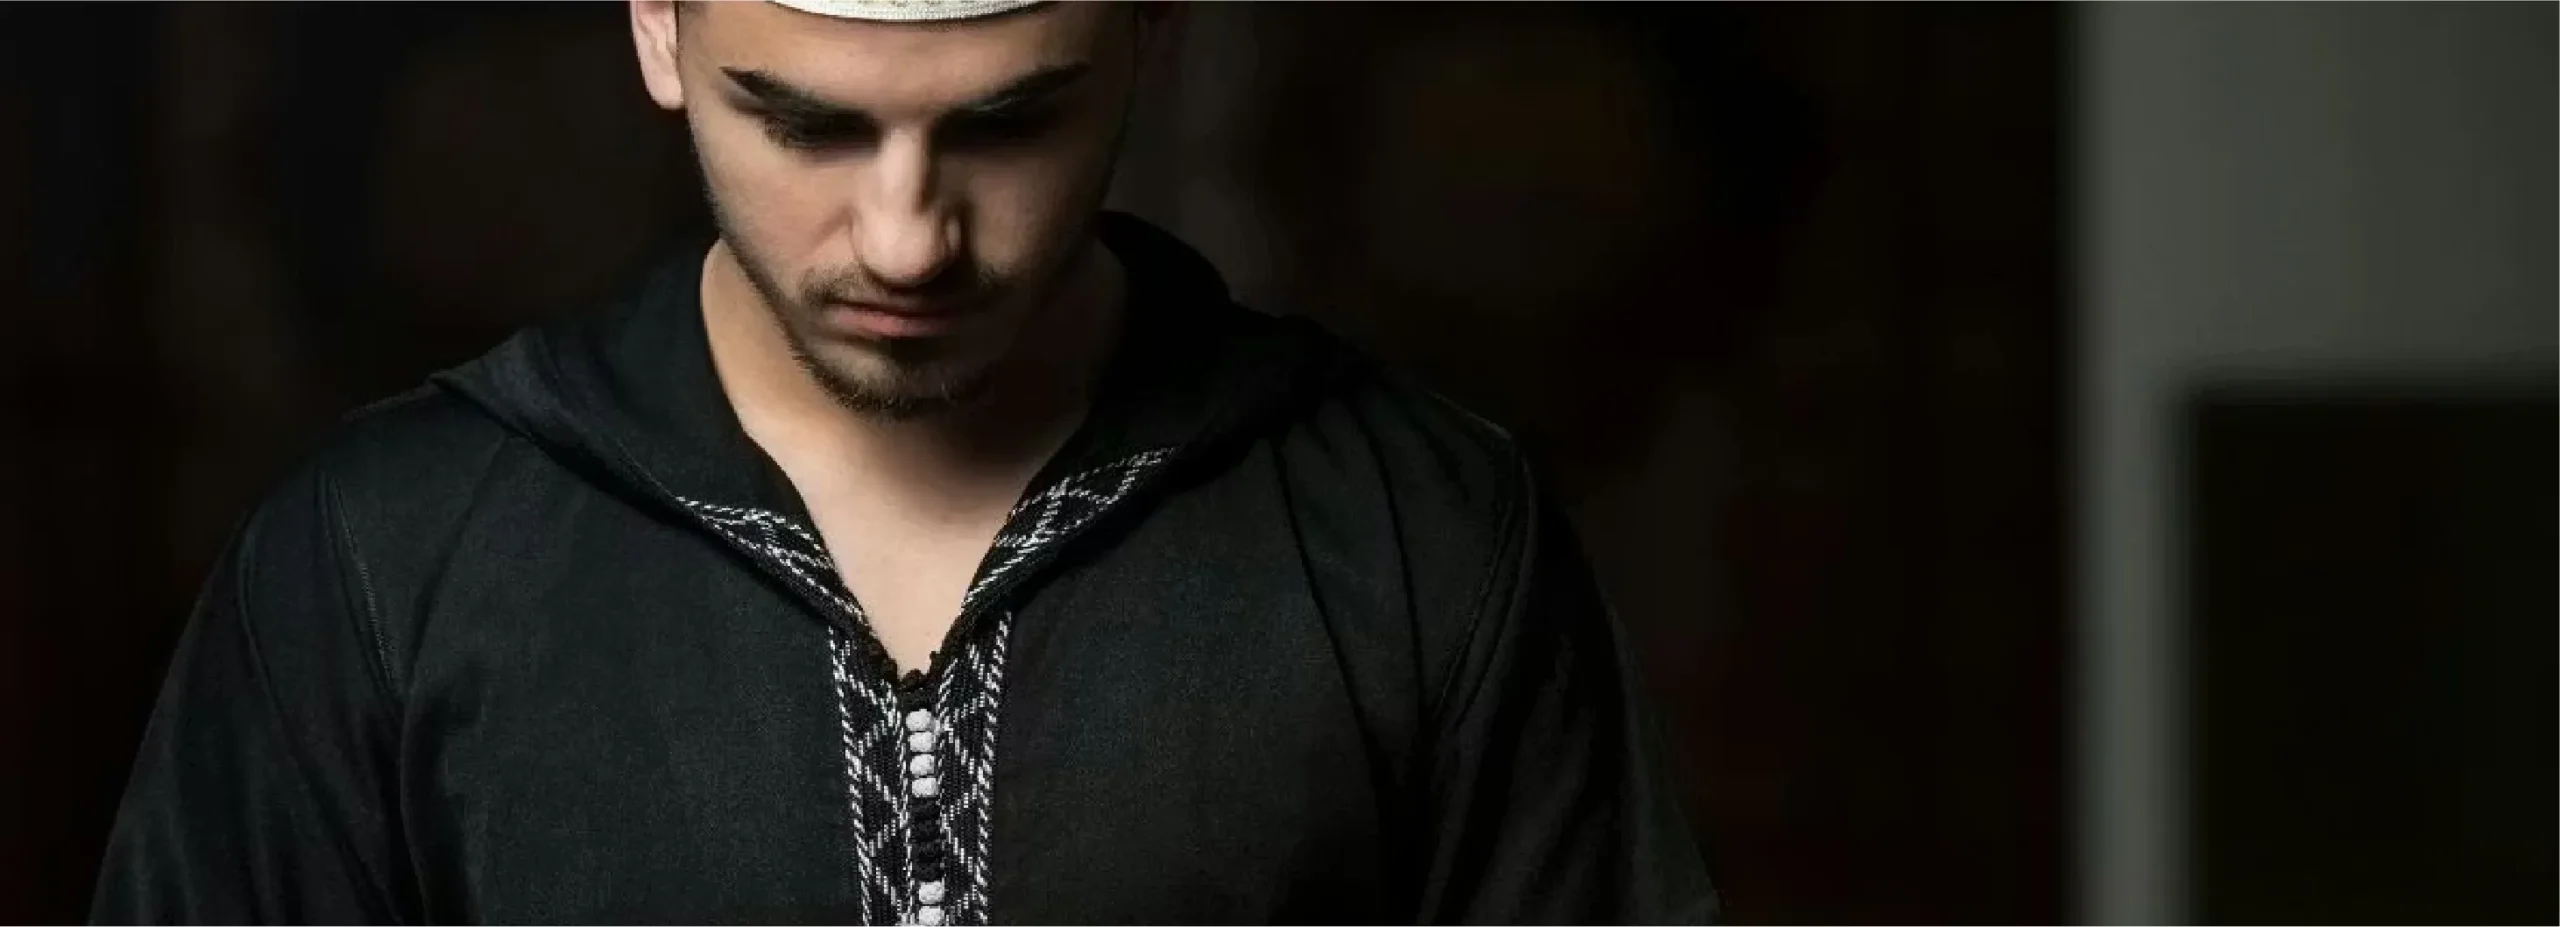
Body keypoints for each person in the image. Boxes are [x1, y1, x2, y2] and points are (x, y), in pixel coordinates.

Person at [90, 1, 1719, 923]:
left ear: (1152, 31)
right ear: (657, 26)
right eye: (804, 124)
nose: (905, 238)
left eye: (1006, 124)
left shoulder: (1424, 538)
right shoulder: (376, 565)